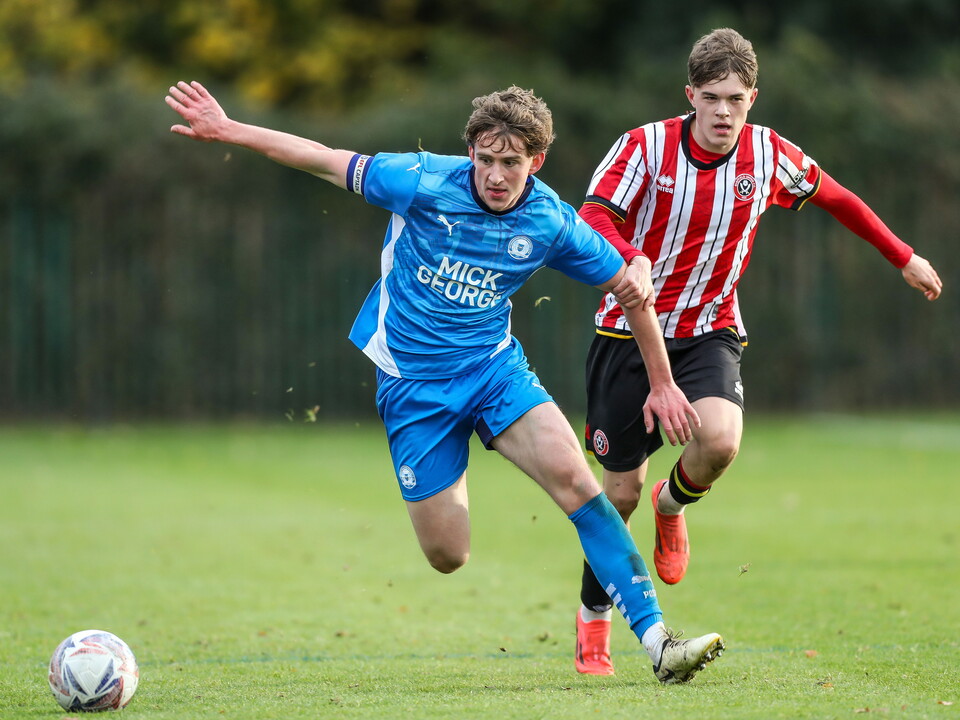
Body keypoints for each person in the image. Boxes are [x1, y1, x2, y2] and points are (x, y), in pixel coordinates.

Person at [165, 81, 726, 683]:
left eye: (511, 163)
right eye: (485, 160)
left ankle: (658, 641)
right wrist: (229, 129)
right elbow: (323, 159)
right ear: (471, 155)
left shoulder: (551, 221)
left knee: (580, 486)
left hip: (494, 372)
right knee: (448, 554)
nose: (495, 176)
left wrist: (663, 383)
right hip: (415, 391)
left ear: (536, 162)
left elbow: (633, 294)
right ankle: (454, 469)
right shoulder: (421, 181)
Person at [573, 27, 943, 676]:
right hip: (625, 333)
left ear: (753, 98)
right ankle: (594, 619)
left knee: (719, 441)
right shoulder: (644, 148)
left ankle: (673, 506)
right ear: (690, 94)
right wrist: (629, 257)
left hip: (710, 327)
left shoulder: (769, 155)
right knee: (617, 495)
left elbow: (838, 198)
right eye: (711, 97)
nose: (723, 111)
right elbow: (593, 217)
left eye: (736, 99)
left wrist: (903, 256)